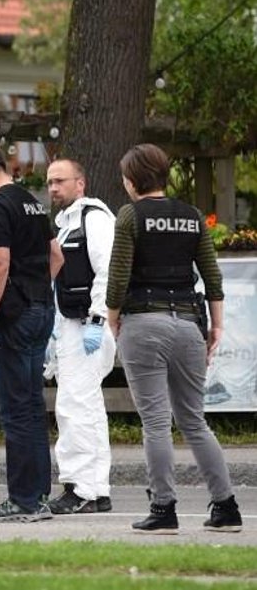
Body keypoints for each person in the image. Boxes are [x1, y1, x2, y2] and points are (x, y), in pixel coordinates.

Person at [107, 143, 242, 534]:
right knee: (194, 421)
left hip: (143, 321)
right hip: (188, 323)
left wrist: (113, 321)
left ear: (132, 181)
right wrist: (215, 327)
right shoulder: (193, 216)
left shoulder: (130, 215)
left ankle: (164, 509)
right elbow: (212, 278)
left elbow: (118, 279)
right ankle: (226, 506)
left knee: (155, 422)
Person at [0, 142, 64, 523]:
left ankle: (22, 500)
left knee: (15, 409)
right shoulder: (33, 202)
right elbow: (57, 257)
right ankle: (38, 496)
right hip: (42, 310)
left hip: (14, 318)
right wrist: (35, 291)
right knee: (33, 406)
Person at [44, 159, 117, 515]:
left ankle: (83, 489)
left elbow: (108, 271)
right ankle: (93, 489)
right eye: (50, 182)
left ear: (80, 183)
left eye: (60, 181)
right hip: (71, 326)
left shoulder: (94, 219)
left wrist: (98, 319)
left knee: (77, 406)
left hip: (89, 326)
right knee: (82, 406)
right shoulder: (66, 224)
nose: (54, 188)